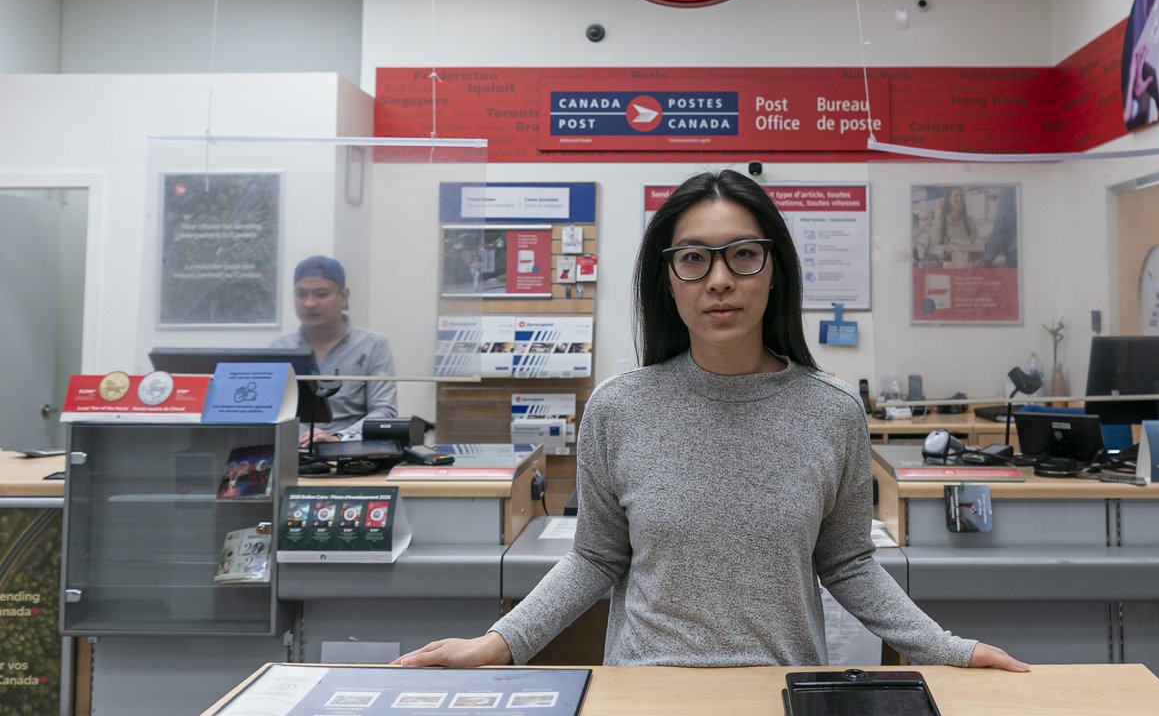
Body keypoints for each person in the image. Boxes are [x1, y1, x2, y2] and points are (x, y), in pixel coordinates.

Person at [396, 170, 1027, 672]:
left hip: (781, 688)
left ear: (774, 269)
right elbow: (594, 559)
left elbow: (848, 565)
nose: (719, 280)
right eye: (694, 259)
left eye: (743, 256)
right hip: (647, 691)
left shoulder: (832, 411)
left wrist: (949, 648)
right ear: (668, 279)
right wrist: (498, 643)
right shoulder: (619, 409)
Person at [272, 255, 397, 445]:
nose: (309, 303)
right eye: (301, 293)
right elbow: (271, 410)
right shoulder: (280, 349)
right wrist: (306, 437)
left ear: (344, 296)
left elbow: (384, 411)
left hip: (352, 451)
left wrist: (338, 438)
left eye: (321, 294)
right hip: (294, 452)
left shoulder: (372, 346)